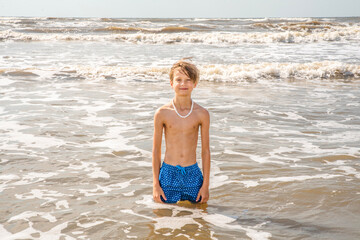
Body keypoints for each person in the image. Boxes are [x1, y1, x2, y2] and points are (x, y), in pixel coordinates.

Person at [152, 59, 210, 204]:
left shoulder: (201, 114)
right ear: (171, 83)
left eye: (188, 80)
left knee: (199, 218)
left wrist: (206, 186)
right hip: (168, 174)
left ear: (195, 84)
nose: (183, 84)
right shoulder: (162, 113)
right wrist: (155, 184)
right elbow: (156, 150)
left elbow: (206, 151)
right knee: (163, 218)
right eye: (179, 80)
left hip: (192, 174)